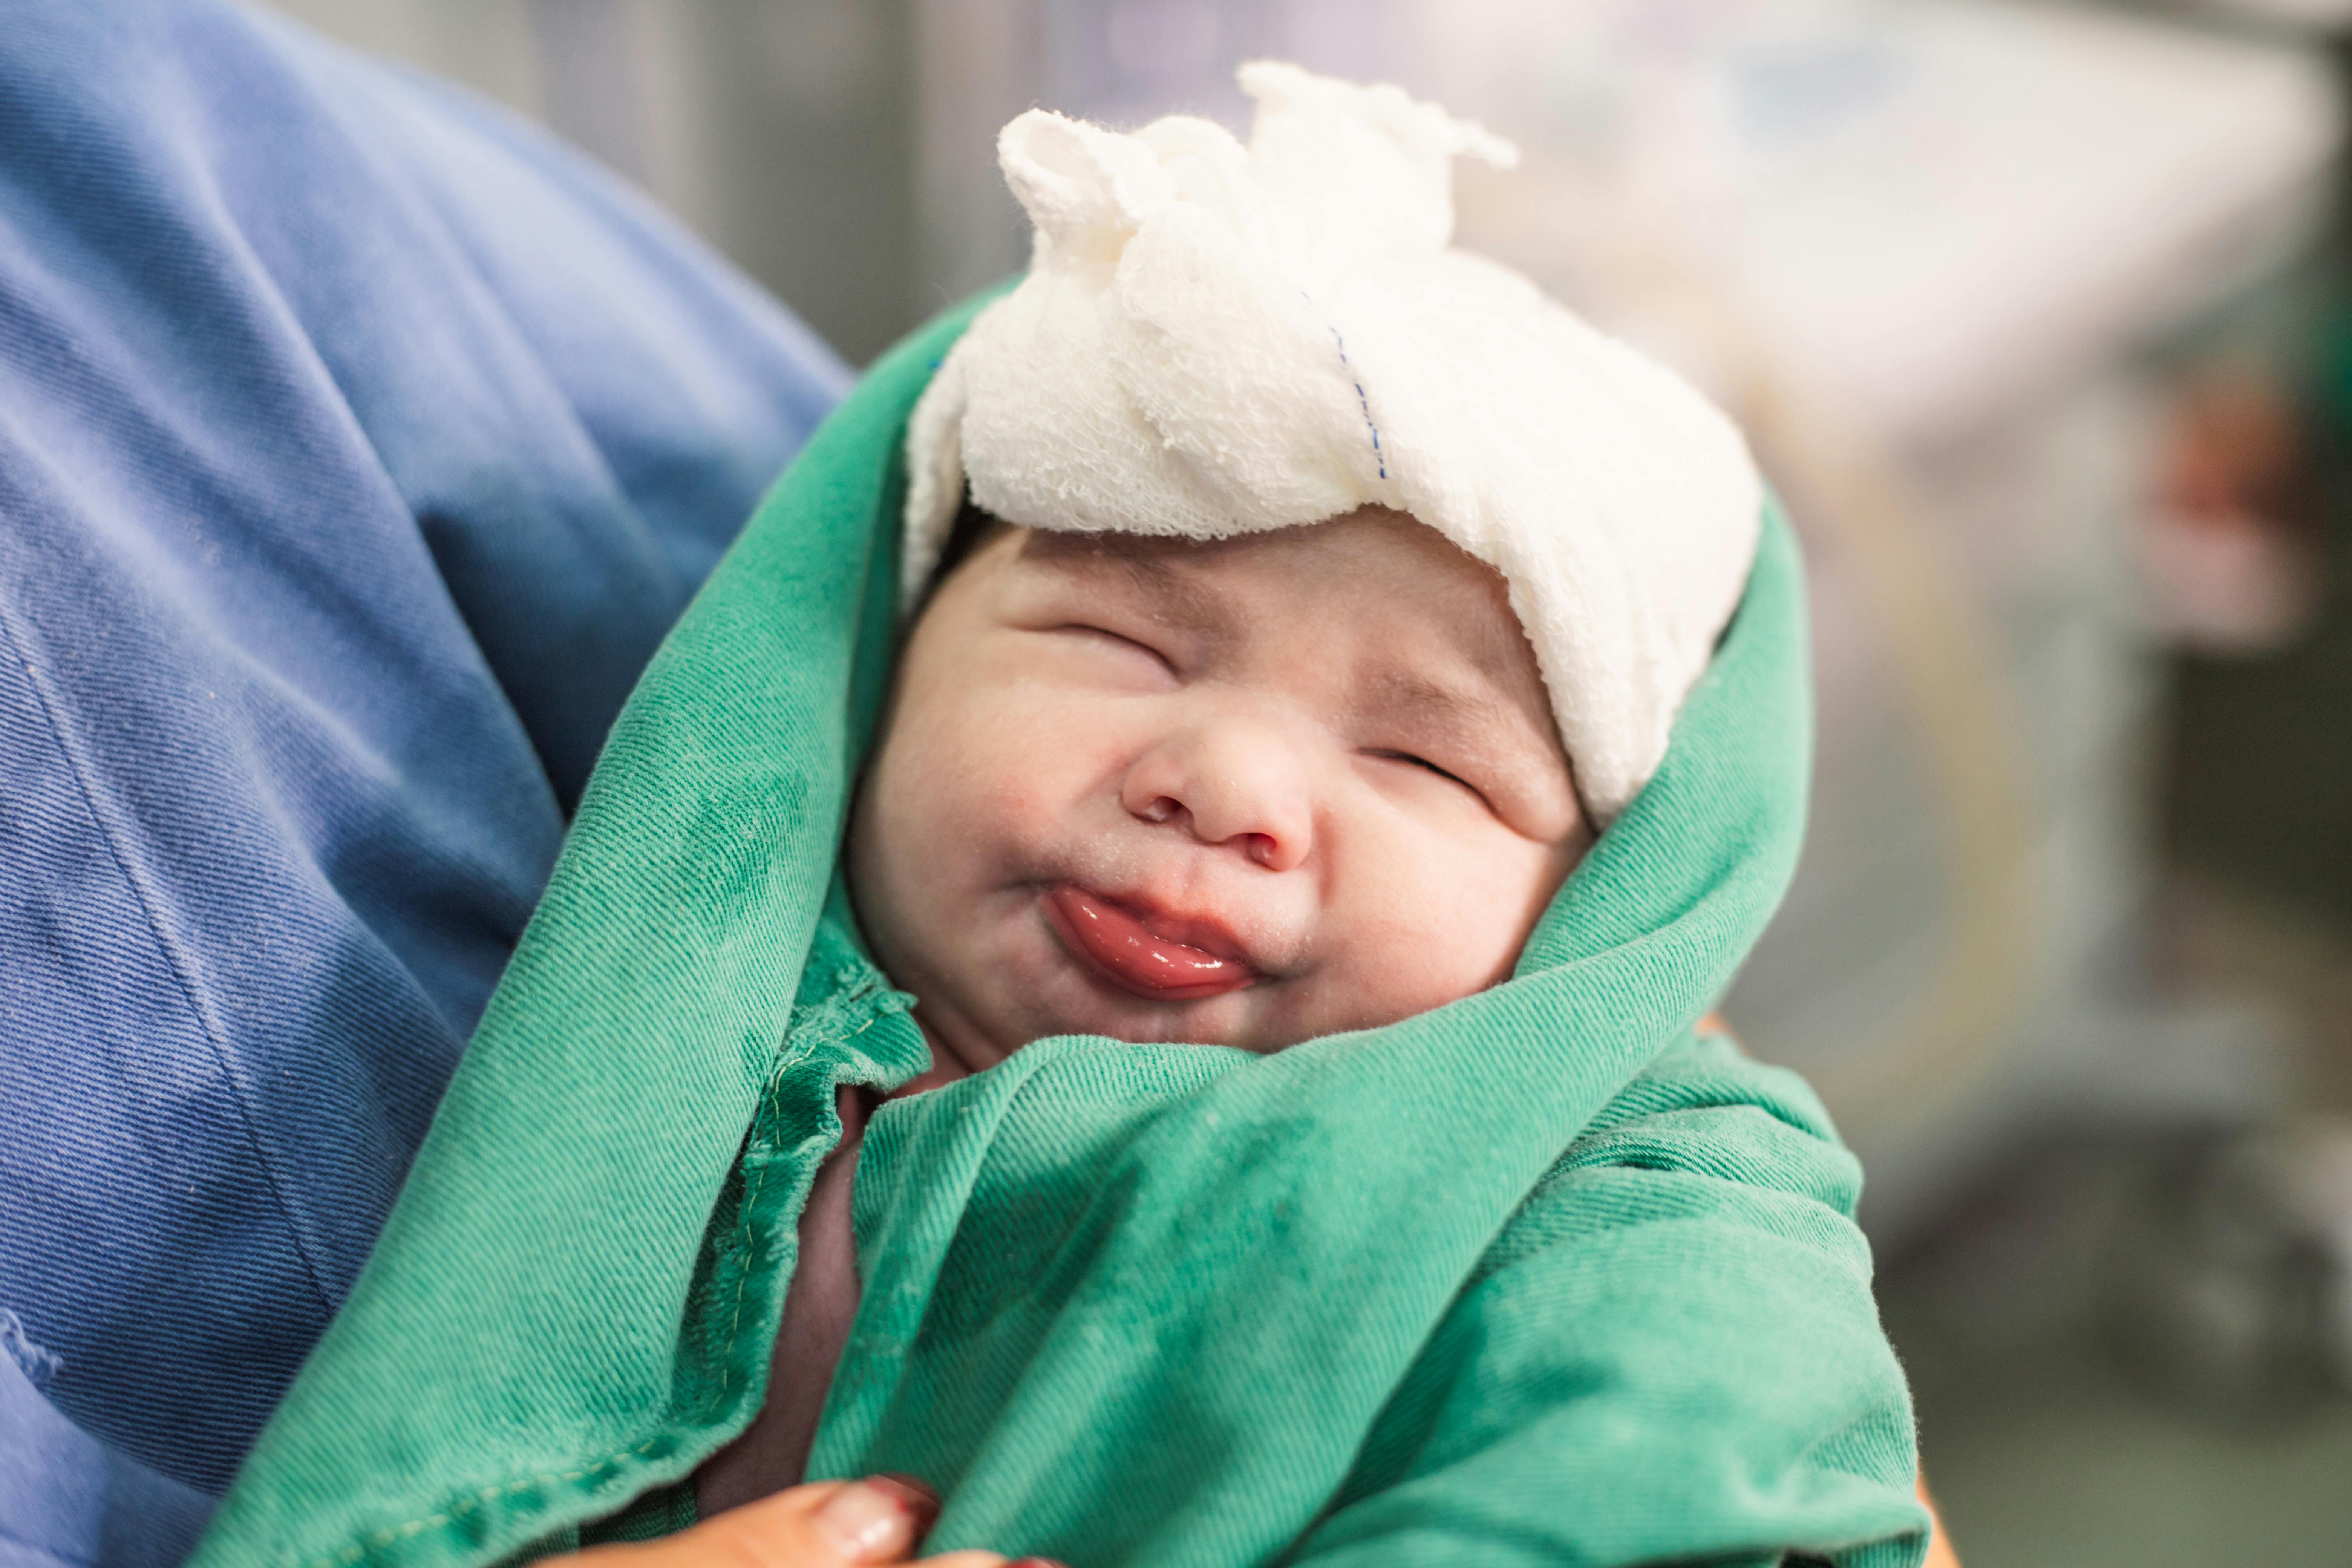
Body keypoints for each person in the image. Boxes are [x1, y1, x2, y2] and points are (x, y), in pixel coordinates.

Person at [196, 66, 1936, 1568]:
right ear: (877, 652)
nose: (1227, 786)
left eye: (1431, 761)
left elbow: (1685, 1466)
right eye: (1118, 638)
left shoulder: (1624, 1195)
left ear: (1617, 894)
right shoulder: (653, 1034)